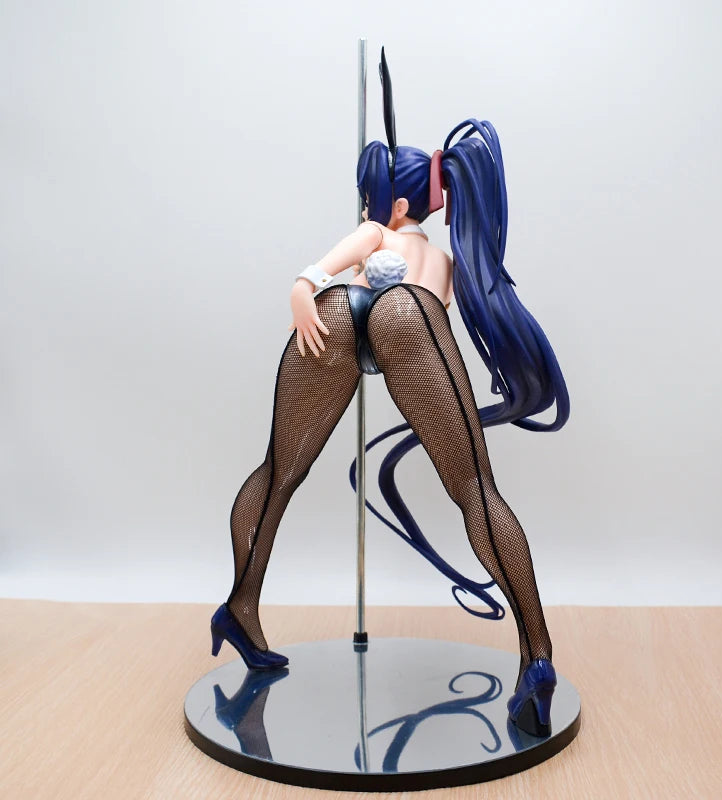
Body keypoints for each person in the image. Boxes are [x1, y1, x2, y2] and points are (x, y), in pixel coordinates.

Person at [210, 53, 570, 738]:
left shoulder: (375, 231)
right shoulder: (449, 260)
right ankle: (537, 655)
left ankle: (240, 604)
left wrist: (303, 290)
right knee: (475, 489)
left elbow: (317, 270)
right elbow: (441, 316)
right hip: (411, 314)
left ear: (392, 206)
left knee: (278, 473)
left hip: (339, 312)